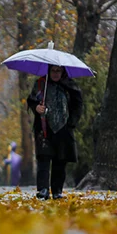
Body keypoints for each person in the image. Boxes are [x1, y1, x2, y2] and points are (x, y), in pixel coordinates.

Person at [27, 65, 83, 199]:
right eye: (53, 70)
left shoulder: (71, 86)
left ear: (63, 71)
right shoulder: (41, 84)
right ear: (49, 70)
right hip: (44, 127)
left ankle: (57, 190)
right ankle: (43, 189)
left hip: (64, 128)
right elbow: (32, 100)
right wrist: (37, 108)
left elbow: (78, 104)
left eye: (59, 71)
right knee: (44, 159)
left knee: (60, 161)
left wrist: (71, 123)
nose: (56, 73)